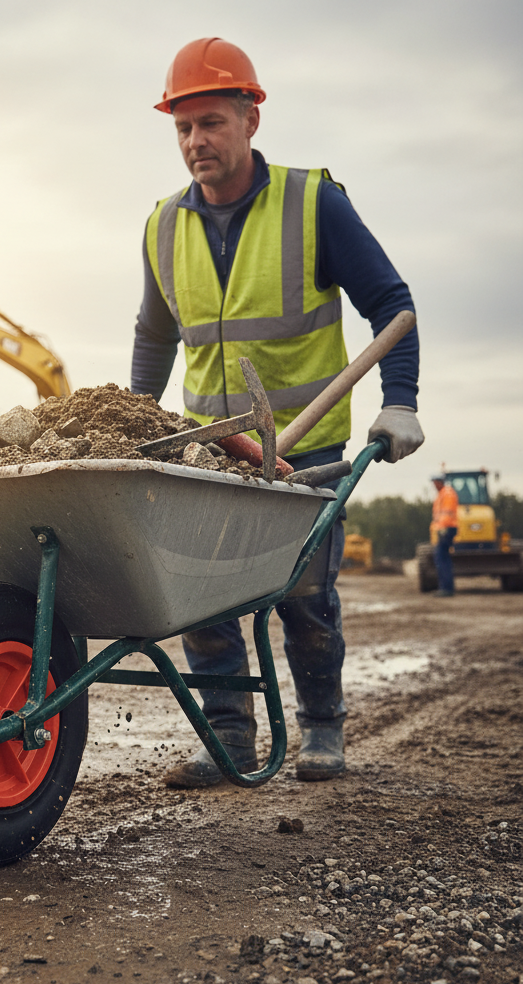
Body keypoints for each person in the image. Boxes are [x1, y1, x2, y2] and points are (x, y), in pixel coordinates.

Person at [130, 38, 424, 787]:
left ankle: (323, 729)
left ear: (250, 119)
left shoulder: (312, 203)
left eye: (211, 123)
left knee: (303, 599)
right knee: (201, 602)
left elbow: (391, 305)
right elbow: (154, 335)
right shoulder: (164, 225)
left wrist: (399, 403)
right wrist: (136, 420)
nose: (197, 141)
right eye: (183, 128)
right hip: (212, 450)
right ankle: (228, 735)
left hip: (308, 451)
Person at [430, 474, 459, 597]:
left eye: (434, 482)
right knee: (443, 559)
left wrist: (442, 528)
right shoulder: (444, 493)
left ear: (439, 482)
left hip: (446, 529)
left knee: (441, 559)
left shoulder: (446, 493)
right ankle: (446, 587)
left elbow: (446, 513)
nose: (433, 485)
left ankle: (446, 588)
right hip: (446, 528)